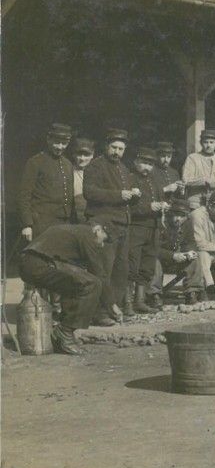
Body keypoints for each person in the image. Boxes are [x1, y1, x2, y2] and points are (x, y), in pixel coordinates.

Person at [20, 220, 118, 354]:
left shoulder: (75, 231)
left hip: (31, 263)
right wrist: (111, 304)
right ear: (98, 230)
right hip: (39, 264)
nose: (102, 245)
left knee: (76, 283)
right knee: (92, 284)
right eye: (104, 240)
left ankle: (62, 334)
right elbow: (99, 273)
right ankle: (65, 333)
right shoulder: (88, 236)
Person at [83, 127, 136, 326]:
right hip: (104, 225)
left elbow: (125, 196)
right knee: (102, 269)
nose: (117, 152)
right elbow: (89, 192)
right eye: (114, 147)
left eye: (121, 149)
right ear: (106, 146)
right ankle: (99, 312)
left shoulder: (123, 169)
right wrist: (119, 195)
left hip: (122, 225)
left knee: (121, 270)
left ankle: (115, 308)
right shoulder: (95, 166)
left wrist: (134, 194)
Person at [125, 146, 170, 315]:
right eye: (144, 163)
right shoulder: (129, 179)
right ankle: (127, 303)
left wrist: (163, 206)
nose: (147, 167)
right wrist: (149, 207)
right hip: (136, 228)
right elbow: (127, 208)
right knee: (132, 265)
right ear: (136, 162)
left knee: (147, 265)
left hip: (153, 228)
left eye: (150, 164)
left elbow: (160, 199)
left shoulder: (154, 181)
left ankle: (140, 301)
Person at [19, 123, 75, 242]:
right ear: (48, 139)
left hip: (64, 224)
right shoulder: (35, 162)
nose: (60, 147)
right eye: (57, 142)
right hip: (41, 224)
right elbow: (24, 195)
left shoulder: (68, 164)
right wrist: (27, 224)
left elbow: (70, 198)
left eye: (64, 143)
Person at [148, 198, 197, 307]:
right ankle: (154, 294)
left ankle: (192, 291)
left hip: (177, 259)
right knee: (154, 261)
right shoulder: (162, 223)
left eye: (182, 216)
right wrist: (173, 256)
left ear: (187, 216)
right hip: (162, 259)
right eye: (176, 215)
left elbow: (191, 242)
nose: (178, 218)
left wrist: (189, 252)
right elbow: (154, 249)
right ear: (170, 214)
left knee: (195, 259)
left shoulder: (187, 223)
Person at [182, 129, 215, 209]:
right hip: (196, 203)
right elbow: (185, 181)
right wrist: (203, 181)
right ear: (201, 143)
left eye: (211, 142)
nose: (208, 145)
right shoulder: (192, 158)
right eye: (205, 142)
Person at [70, 137, 95, 223]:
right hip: (73, 219)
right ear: (73, 154)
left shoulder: (97, 173)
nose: (82, 158)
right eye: (79, 154)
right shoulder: (68, 172)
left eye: (86, 155)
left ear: (92, 155)